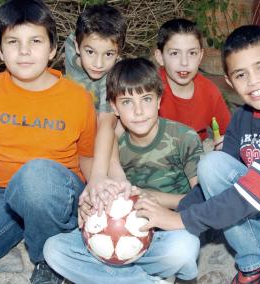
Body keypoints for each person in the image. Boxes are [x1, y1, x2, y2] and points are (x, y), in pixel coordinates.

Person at [137, 25, 260, 284]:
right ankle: (254, 262)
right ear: (230, 82)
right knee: (213, 165)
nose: (253, 81)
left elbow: (250, 194)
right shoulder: (242, 117)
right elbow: (215, 186)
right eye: (241, 74)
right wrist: (162, 215)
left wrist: (180, 220)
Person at [0, 1, 96, 283]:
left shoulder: (77, 98)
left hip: (61, 196)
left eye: (35, 41)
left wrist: (94, 199)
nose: (24, 51)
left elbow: (88, 158)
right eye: (13, 41)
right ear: (0, 51)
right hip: (4, 196)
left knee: (36, 175)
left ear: (52, 49)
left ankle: (50, 259)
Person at [43, 58, 203, 284]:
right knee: (54, 250)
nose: (138, 111)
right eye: (127, 102)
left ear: (159, 100)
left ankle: (114, 278)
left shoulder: (184, 138)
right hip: (113, 237)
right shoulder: (111, 142)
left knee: (186, 248)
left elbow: (203, 201)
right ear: (115, 107)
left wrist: (156, 200)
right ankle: (142, 280)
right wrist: (93, 205)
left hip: (163, 234)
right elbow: (101, 179)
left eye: (146, 99)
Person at [64, 4, 130, 211]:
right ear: (76, 45)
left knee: (117, 122)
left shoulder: (111, 75)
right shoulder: (69, 45)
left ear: (118, 53)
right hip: (73, 120)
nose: (98, 63)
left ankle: (113, 179)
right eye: (90, 52)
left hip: (102, 124)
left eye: (109, 54)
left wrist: (102, 173)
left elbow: (105, 124)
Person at [155, 18, 231, 149]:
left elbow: (230, 133)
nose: (184, 62)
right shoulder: (148, 87)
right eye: (174, 53)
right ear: (160, 57)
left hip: (196, 153)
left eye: (192, 53)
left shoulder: (209, 91)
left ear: (201, 56)